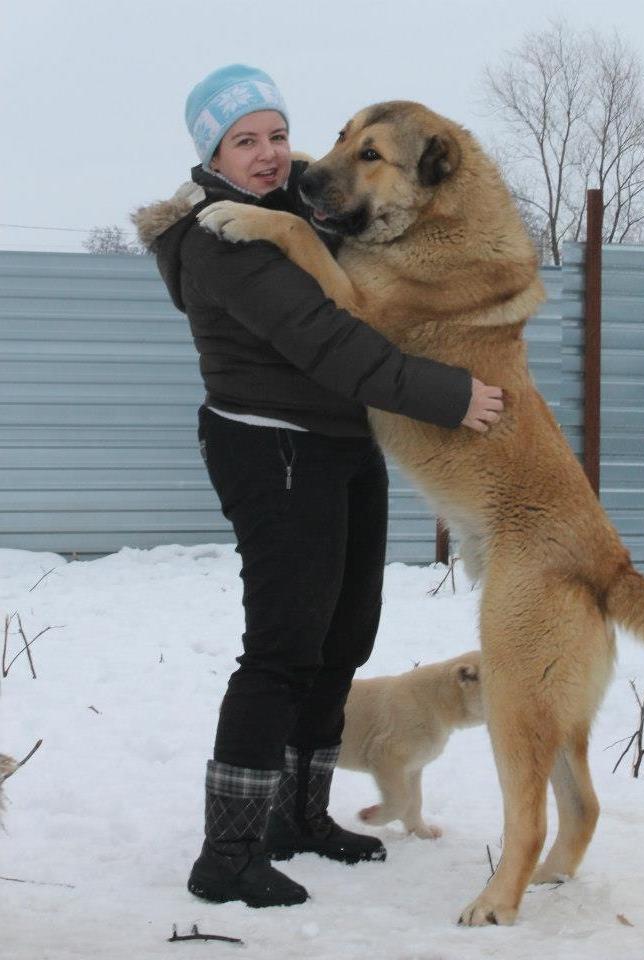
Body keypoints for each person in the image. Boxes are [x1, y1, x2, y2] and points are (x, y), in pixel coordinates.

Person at [134, 64, 503, 910]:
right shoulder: (218, 237)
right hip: (273, 452)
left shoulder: (307, 203)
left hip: (342, 445)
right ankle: (225, 856)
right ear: (213, 154)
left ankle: (297, 819)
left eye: (275, 134)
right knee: (281, 653)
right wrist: (451, 396)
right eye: (244, 141)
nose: (268, 156)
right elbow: (328, 339)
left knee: (344, 643)